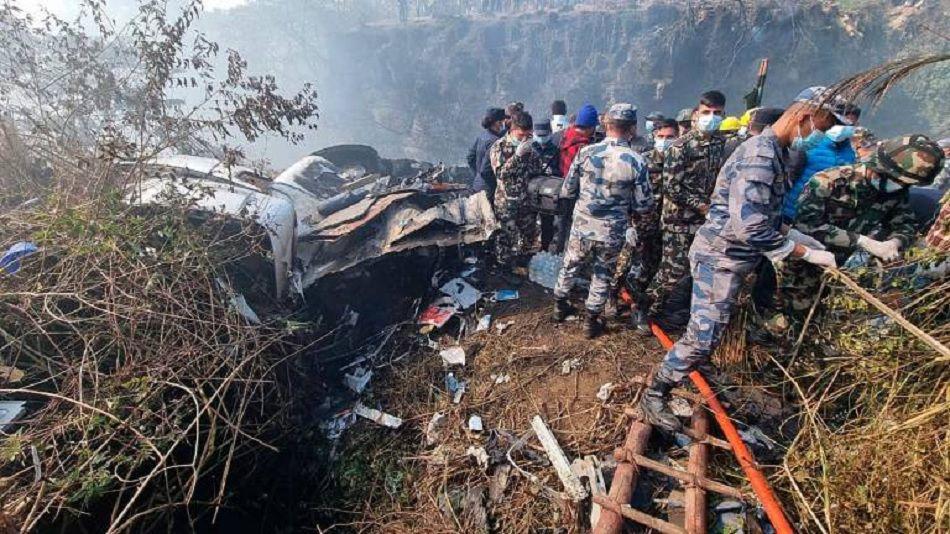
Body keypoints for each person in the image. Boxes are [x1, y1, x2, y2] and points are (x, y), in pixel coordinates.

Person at [640, 89, 840, 432]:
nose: (818, 137)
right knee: (704, 335)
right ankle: (655, 392)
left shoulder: (775, 151)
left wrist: (799, 238)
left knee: (708, 330)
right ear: (803, 118)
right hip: (720, 257)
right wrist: (803, 252)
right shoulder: (760, 156)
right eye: (820, 127)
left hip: (732, 257)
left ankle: (688, 365)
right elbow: (750, 226)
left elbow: (766, 214)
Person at [776, 135, 945, 315]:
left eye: (905, 184)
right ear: (878, 168)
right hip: (799, 264)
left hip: (838, 268)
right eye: (896, 180)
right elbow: (806, 227)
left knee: (821, 315)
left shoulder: (895, 194)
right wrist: (862, 241)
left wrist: (895, 242)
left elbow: (905, 224)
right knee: (788, 315)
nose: (899, 186)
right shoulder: (829, 182)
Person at [553, 104, 654, 339]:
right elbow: (644, 205)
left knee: (571, 263)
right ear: (632, 128)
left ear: (606, 125)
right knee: (602, 273)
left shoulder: (585, 153)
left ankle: (559, 306)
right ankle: (591, 321)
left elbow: (567, 190)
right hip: (612, 230)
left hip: (582, 225)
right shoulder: (636, 161)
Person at [645, 90, 729, 332]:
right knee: (671, 272)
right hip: (678, 221)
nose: (711, 117)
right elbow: (672, 187)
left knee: (696, 272)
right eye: (706, 112)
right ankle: (645, 308)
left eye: (717, 113)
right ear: (696, 114)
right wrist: (702, 205)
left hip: (705, 221)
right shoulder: (680, 147)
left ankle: (675, 313)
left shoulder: (719, 145)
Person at [612, 118, 679, 330]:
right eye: (661, 137)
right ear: (654, 137)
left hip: (665, 226)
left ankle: (641, 308)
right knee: (622, 264)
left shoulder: (682, 162)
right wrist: (628, 224)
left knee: (652, 268)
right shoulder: (642, 162)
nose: (665, 141)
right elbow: (625, 194)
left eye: (670, 137)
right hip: (639, 223)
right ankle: (610, 296)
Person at [782, 93, 857, 223]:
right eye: (837, 122)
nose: (842, 127)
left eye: (849, 124)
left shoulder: (849, 153)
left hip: (814, 217)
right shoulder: (810, 142)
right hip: (787, 211)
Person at [489, 111, 544, 268]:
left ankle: (523, 264)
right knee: (505, 237)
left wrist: (534, 153)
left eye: (528, 134)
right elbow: (501, 174)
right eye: (521, 135)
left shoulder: (530, 148)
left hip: (526, 201)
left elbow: (536, 170)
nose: (525, 138)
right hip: (506, 202)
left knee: (528, 235)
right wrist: (518, 156)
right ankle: (504, 268)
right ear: (512, 130)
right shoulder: (499, 147)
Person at [534, 119, 564, 252]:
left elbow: (560, 171)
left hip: (547, 193)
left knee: (547, 222)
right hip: (532, 191)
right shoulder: (530, 148)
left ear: (550, 133)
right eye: (539, 135)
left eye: (544, 135)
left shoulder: (556, 149)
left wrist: (552, 173)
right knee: (529, 221)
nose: (541, 138)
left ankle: (545, 248)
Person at [467, 107, 506, 204]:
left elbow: (470, 157)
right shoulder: (495, 141)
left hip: (477, 185)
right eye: (502, 120)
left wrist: (477, 175)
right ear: (497, 122)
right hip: (489, 190)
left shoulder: (482, 136)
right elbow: (486, 169)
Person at [559, 104, 599, 176]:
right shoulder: (583, 147)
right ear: (591, 127)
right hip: (575, 183)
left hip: (563, 180)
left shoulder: (565, 136)